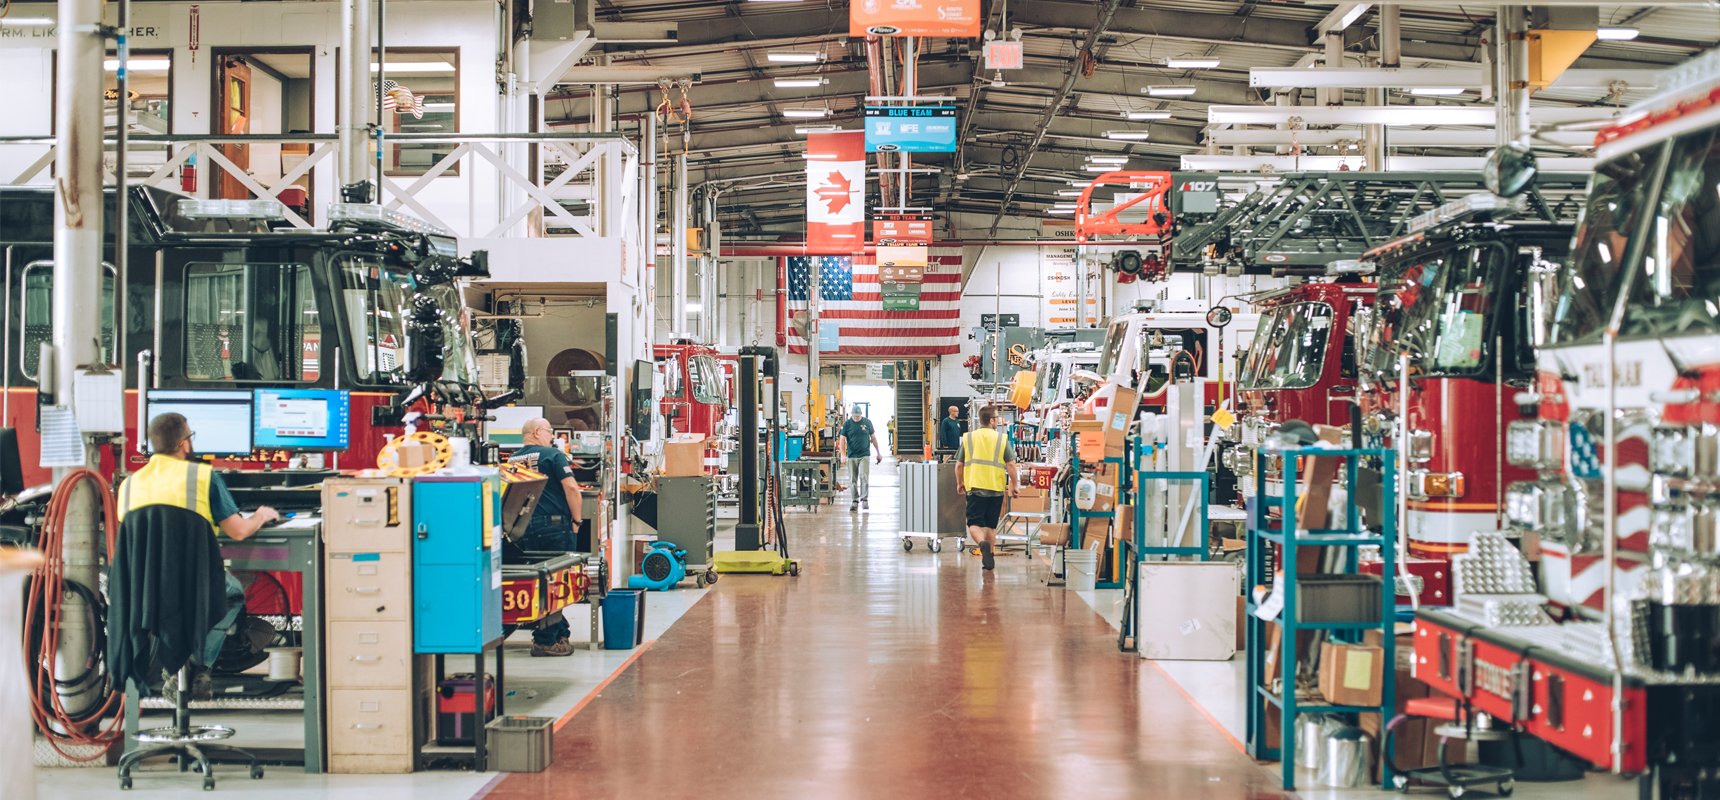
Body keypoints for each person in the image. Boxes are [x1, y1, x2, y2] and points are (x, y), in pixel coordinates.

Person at [117, 413, 281, 699]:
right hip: (192, 585)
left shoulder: (129, 484)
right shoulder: (203, 477)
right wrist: (261, 515)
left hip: (144, 593)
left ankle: (174, 669)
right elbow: (239, 532)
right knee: (231, 594)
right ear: (185, 444)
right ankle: (195, 666)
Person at [508, 418, 585, 657]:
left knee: (541, 582)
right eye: (550, 431)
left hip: (524, 527)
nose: (552, 436)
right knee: (557, 582)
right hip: (553, 526)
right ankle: (545, 640)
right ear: (536, 432)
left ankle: (561, 632)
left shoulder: (512, 459)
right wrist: (577, 521)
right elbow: (572, 488)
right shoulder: (552, 455)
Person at [956, 405, 1017, 571]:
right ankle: (988, 559)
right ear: (991, 421)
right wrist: (1014, 485)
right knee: (991, 525)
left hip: (975, 487)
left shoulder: (968, 438)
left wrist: (959, 483)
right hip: (996, 489)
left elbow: (959, 465)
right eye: (996, 418)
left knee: (974, 524)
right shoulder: (1001, 439)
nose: (998, 420)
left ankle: (982, 544)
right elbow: (1011, 464)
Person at [837, 407, 882, 512]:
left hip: (864, 455)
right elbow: (842, 440)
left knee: (864, 476)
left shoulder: (867, 422)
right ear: (852, 414)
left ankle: (864, 499)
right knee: (852, 479)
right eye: (854, 416)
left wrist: (878, 453)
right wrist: (843, 455)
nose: (856, 418)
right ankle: (854, 500)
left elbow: (873, 438)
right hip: (852, 455)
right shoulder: (847, 424)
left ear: (861, 414)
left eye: (858, 416)